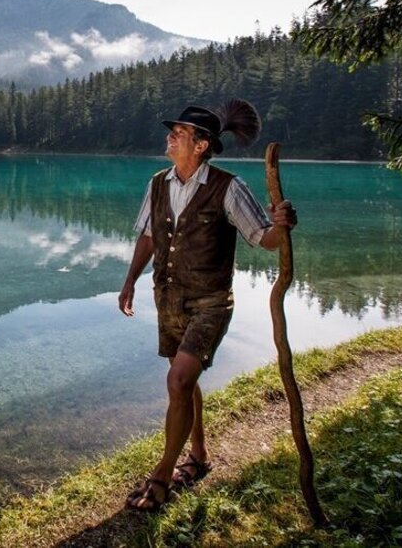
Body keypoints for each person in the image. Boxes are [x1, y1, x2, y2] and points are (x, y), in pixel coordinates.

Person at [118, 100, 297, 511]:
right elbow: (147, 235)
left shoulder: (228, 187)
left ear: (200, 145)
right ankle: (198, 456)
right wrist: (129, 280)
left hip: (211, 302)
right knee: (185, 380)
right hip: (169, 298)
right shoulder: (158, 183)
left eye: (178, 133)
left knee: (179, 382)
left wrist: (281, 226)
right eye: (173, 132)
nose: (170, 137)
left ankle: (161, 477)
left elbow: (262, 237)